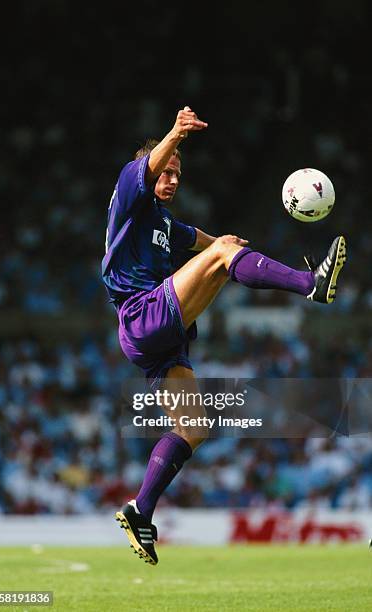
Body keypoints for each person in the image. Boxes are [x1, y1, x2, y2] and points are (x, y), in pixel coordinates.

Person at [101, 106, 347, 565]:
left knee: (193, 428)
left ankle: (140, 511)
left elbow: (200, 239)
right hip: (141, 314)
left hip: (159, 340)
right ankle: (310, 284)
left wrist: (229, 247)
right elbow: (152, 167)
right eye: (166, 171)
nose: (172, 179)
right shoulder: (130, 192)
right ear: (150, 170)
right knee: (222, 256)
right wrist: (175, 134)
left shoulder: (163, 223)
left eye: (178, 174)